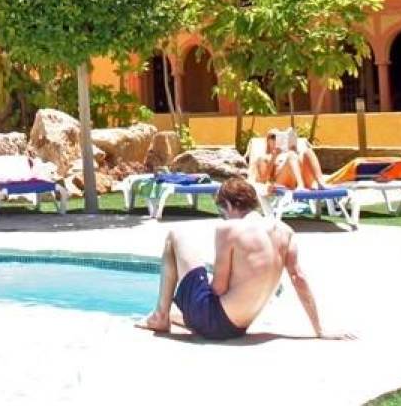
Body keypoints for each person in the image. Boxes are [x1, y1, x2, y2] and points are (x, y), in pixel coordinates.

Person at [136, 177, 350, 341]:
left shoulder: (229, 229)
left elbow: (218, 289)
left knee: (175, 236)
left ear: (229, 205)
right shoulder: (285, 231)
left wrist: (203, 279)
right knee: (184, 302)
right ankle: (168, 314)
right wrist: (320, 329)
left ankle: (160, 316)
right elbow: (298, 278)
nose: (224, 216)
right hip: (238, 328)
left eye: (223, 211)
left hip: (214, 323)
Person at [251, 127, 327, 190]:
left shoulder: (288, 153)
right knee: (291, 156)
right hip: (280, 182)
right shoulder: (264, 157)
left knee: (308, 151)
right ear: (267, 141)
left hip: (296, 178)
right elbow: (263, 180)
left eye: (278, 137)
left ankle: (321, 182)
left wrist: (295, 151)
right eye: (273, 136)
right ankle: (300, 186)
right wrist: (274, 157)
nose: (276, 139)